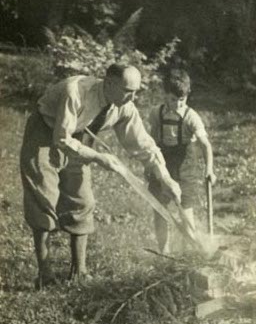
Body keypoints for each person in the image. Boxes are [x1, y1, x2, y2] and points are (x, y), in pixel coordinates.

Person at [20, 63, 181, 289]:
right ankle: (45, 274)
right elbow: (62, 139)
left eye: (136, 91)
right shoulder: (75, 91)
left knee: (83, 200)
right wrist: (98, 157)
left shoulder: (124, 106)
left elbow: (143, 144)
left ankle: (79, 271)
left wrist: (166, 178)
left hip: (80, 139)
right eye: (128, 91)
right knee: (44, 199)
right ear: (110, 84)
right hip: (46, 133)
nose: (133, 97)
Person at [147, 68, 216, 254]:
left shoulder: (191, 117)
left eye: (181, 100)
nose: (177, 104)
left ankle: (190, 253)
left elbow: (205, 145)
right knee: (160, 209)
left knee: (185, 213)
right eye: (172, 99)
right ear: (164, 95)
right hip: (162, 162)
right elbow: (152, 140)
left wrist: (209, 170)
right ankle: (164, 252)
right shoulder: (156, 113)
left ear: (187, 96)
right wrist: (150, 165)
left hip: (185, 166)